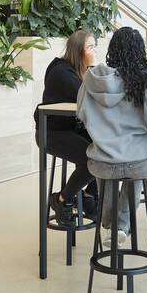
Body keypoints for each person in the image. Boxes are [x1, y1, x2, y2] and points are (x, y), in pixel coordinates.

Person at [77, 27, 147, 246]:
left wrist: (102, 135)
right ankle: (121, 225)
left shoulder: (91, 80)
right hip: (140, 161)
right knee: (137, 167)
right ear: (140, 51)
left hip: (103, 161)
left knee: (106, 169)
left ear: (112, 49)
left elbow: (81, 113)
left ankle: (110, 223)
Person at [35, 29, 98, 227]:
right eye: (90, 47)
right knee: (93, 159)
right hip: (52, 133)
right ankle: (62, 199)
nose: (94, 51)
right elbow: (89, 98)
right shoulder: (62, 73)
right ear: (78, 50)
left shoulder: (76, 70)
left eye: (94, 46)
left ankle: (87, 195)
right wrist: (93, 69)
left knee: (107, 149)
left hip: (71, 129)